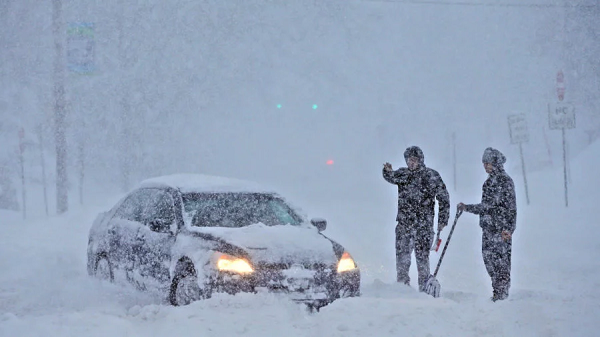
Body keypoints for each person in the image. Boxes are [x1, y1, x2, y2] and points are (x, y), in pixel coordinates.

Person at [383, 146, 450, 291]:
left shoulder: (431, 176)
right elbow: (391, 177)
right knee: (402, 258)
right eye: (409, 160)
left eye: (414, 160)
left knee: (422, 259)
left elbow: (444, 198)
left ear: (421, 160)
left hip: (423, 226)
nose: (411, 163)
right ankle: (402, 287)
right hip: (404, 225)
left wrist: (443, 220)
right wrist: (387, 171)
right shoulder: (403, 174)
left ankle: (424, 288)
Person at [458, 147, 516, 302]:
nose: (485, 166)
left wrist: (508, 229)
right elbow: (486, 207)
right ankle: (498, 290)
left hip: (501, 231)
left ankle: (501, 294)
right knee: (489, 261)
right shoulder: (488, 183)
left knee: (501, 263)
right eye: (484, 163)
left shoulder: (506, 182)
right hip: (488, 229)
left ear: (496, 163)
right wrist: (467, 207)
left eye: (488, 163)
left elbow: (511, 208)